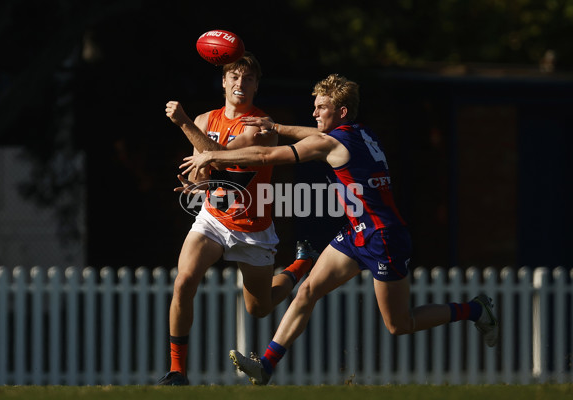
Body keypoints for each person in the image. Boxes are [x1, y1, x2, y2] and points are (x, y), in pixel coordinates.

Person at [179, 73, 500, 385]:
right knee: (307, 290)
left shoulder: (333, 144)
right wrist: (275, 126)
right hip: (358, 231)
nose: (315, 112)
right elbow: (313, 134)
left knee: (399, 324)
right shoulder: (360, 132)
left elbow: (265, 155)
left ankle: (475, 309)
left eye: (321, 108)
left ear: (341, 112)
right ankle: (265, 366)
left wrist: (213, 155)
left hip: (383, 237)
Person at [157, 52, 319, 386]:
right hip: (213, 219)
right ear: (223, 81)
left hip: (252, 228)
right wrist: (194, 186)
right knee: (184, 282)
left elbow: (222, 163)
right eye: (234, 76)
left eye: (248, 78)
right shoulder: (205, 120)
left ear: (257, 86)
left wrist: (183, 123)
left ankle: (299, 266)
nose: (240, 84)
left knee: (258, 309)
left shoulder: (260, 126)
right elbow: (207, 173)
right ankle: (177, 371)